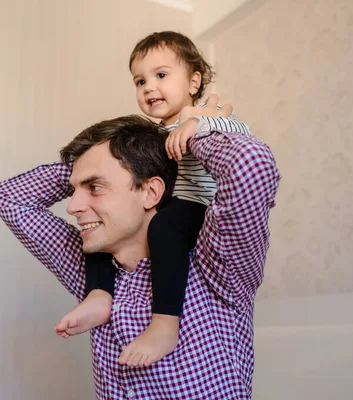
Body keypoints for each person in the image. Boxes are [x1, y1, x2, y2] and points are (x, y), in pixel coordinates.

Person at [0, 112, 280, 399]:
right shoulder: (92, 275)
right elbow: (10, 198)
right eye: (73, 190)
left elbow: (251, 165)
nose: (73, 206)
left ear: (151, 191)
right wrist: (85, 163)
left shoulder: (217, 266)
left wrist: (185, 139)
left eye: (95, 187)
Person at [56, 31, 253, 367]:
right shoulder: (156, 134)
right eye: (139, 81)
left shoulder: (207, 116)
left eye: (160, 75)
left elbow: (243, 138)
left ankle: (164, 323)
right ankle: (100, 294)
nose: (148, 87)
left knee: (161, 227)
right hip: (169, 202)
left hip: (199, 206)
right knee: (107, 232)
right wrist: (97, 163)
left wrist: (197, 126)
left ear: (193, 81)